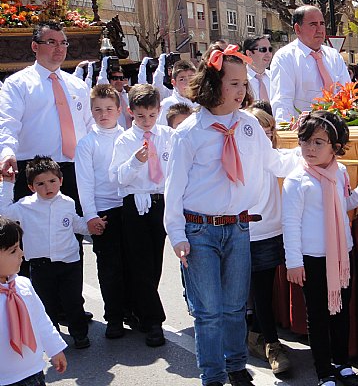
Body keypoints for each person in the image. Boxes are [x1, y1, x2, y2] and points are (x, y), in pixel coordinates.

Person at [164, 44, 298, 386]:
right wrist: (177, 236)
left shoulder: (249, 126)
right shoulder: (189, 132)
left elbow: (274, 162)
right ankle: (213, 375)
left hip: (239, 228)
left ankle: (237, 368)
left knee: (235, 307)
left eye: (244, 84)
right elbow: (174, 190)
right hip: (200, 232)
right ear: (214, 83)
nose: (241, 91)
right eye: (233, 83)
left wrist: (311, 158)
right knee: (208, 312)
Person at [282, 110, 358, 386]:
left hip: (341, 255)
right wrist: (293, 262)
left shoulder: (340, 172)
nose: (310, 148)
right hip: (312, 258)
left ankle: (342, 363)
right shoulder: (297, 180)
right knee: (319, 317)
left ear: (335, 147)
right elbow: (290, 223)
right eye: (305, 141)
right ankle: (324, 372)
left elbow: (341, 205)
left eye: (318, 143)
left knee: (341, 312)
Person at [0, 156, 101, 349]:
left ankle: (79, 335)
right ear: (31, 187)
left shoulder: (68, 202)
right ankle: (52, 340)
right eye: (41, 183)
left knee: (73, 302)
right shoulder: (24, 206)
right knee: (46, 305)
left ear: (61, 181)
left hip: (69, 263)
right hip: (41, 266)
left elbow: (76, 224)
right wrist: (7, 184)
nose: (48, 187)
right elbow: (3, 213)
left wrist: (91, 228)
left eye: (53, 181)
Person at [0, 21, 93, 208]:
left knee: (71, 232)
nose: (59, 48)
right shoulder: (17, 84)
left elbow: (90, 126)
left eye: (63, 42)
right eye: (51, 42)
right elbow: (8, 122)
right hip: (35, 171)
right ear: (35, 46)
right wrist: (7, 152)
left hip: (75, 170)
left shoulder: (78, 85)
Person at [109, 84, 173, 348]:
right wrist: (135, 162)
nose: (146, 122)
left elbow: (175, 169)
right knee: (140, 261)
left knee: (155, 261)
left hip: (160, 202)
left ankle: (140, 307)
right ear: (130, 112)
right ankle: (153, 320)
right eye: (140, 116)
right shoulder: (125, 140)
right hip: (136, 202)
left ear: (159, 111)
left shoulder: (168, 135)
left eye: (151, 115)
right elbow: (116, 178)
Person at [75, 84, 129, 340]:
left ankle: (135, 311)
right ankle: (114, 317)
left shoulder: (129, 136)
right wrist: (91, 216)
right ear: (92, 112)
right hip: (104, 211)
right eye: (98, 109)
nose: (104, 114)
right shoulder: (87, 143)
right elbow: (84, 183)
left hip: (128, 208)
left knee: (133, 265)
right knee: (109, 268)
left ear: (119, 110)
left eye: (109, 108)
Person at [244, 106, 294, 375]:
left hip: (277, 231)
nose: (266, 138)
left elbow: (289, 157)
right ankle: (269, 343)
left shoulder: (272, 155)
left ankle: (256, 334)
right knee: (261, 291)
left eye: (269, 132)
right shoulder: (247, 158)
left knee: (266, 290)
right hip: (256, 233)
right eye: (259, 133)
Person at [0, 217, 68, 386]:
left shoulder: (23, 285)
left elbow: (41, 319)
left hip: (34, 372)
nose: (21, 253)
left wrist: (55, 349)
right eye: (13, 250)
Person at [270, 5, 350, 123]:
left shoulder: (334, 56)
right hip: (304, 132)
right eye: (313, 24)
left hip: (337, 129)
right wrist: (286, 133)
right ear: (297, 29)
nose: (319, 29)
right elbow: (282, 101)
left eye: (322, 23)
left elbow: (347, 92)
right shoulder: (285, 57)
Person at [157, 60, 197, 126]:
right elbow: (162, 132)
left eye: (191, 78)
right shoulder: (167, 105)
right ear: (174, 83)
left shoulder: (202, 103)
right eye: (182, 79)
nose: (188, 83)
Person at [95, 59, 133, 129]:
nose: (119, 81)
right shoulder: (107, 97)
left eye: (121, 78)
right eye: (115, 78)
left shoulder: (129, 96)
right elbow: (102, 83)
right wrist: (104, 66)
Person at [243, 35, 274, 102]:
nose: (268, 54)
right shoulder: (240, 79)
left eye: (270, 49)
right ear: (249, 53)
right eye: (263, 50)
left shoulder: (275, 77)